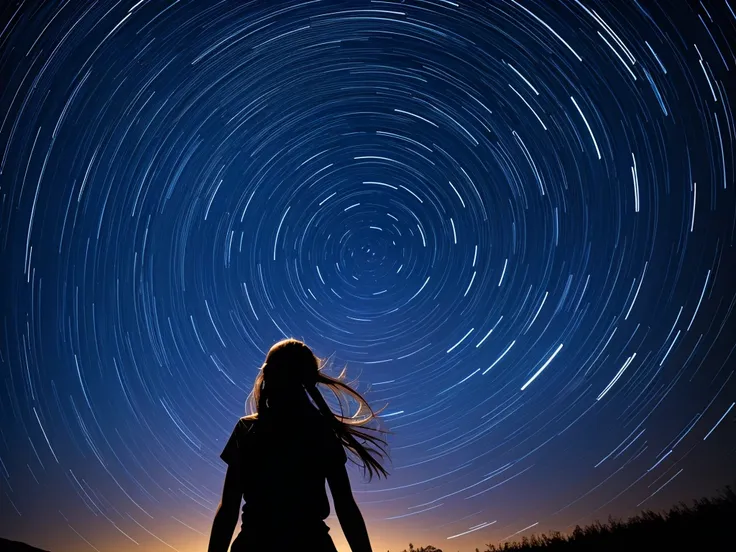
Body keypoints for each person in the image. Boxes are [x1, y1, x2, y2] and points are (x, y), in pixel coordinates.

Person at [208, 338, 390, 552]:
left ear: (267, 375)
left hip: (255, 544)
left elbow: (229, 507)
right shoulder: (321, 429)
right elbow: (346, 507)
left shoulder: (248, 429)